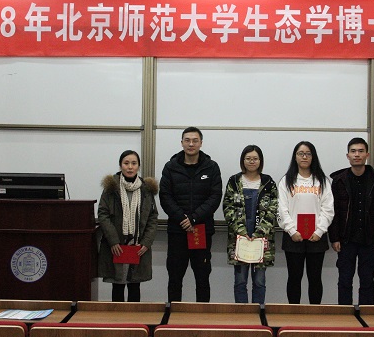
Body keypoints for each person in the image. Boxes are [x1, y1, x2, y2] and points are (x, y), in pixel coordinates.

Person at [159, 126, 222, 302]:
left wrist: (194, 218)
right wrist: (182, 218)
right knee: (175, 278)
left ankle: (202, 316)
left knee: (202, 277)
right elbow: (165, 196)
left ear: (201, 143)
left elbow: (215, 197)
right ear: (182, 143)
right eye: (187, 140)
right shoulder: (171, 167)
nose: (191, 144)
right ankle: (172, 315)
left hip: (201, 230)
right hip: (177, 231)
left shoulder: (211, 167)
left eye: (195, 140)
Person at [329, 138, 374, 305]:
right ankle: (345, 315)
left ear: (367, 155)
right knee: (344, 280)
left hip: (369, 239)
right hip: (346, 239)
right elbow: (333, 211)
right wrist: (334, 238)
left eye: (361, 151)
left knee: (367, 281)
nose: (357, 155)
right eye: (353, 151)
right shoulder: (339, 180)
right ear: (348, 156)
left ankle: (367, 314)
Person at [97, 150, 159, 302]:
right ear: (120, 165)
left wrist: (146, 242)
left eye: (134, 163)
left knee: (134, 285)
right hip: (117, 246)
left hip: (137, 246)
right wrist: (113, 241)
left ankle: (134, 317)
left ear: (138, 166)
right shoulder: (111, 188)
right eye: (126, 163)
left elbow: (152, 217)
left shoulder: (146, 189)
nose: (130, 167)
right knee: (118, 285)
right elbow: (103, 214)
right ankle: (117, 317)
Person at [278, 141, 334, 304]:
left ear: (313, 157)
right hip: (293, 237)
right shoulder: (286, 181)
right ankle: (294, 313)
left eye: (308, 154)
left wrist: (319, 231)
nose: (304, 157)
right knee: (294, 278)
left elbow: (328, 208)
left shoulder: (322, 181)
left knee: (315, 278)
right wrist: (292, 230)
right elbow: (282, 209)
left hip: (316, 237)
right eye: (300, 153)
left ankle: (314, 313)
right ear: (295, 157)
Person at [223, 145, 278, 304]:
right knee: (240, 281)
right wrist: (240, 230)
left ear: (260, 161)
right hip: (239, 238)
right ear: (243, 160)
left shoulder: (268, 182)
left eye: (255, 158)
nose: (251, 161)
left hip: (262, 238)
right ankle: (242, 313)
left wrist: (260, 232)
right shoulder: (234, 181)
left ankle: (258, 312)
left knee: (259, 281)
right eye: (248, 158)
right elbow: (228, 207)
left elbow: (273, 208)